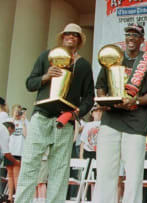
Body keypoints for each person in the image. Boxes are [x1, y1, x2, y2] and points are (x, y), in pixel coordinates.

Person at [15, 23, 94, 203]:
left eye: (75, 35)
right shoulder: (47, 56)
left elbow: (89, 97)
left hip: (64, 120)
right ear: (62, 36)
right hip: (42, 115)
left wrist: (77, 113)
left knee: (60, 169)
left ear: (80, 40)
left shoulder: (83, 65)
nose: (71, 37)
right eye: (68, 34)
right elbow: (29, 83)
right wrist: (45, 76)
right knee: (29, 164)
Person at [94, 23, 147, 203]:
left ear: (142, 40)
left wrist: (136, 100)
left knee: (133, 176)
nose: (131, 38)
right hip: (111, 121)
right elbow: (100, 86)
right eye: (128, 34)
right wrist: (104, 101)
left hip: (136, 123)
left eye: (135, 35)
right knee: (106, 172)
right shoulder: (114, 57)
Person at [6, 105, 28, 202]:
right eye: (16, 111)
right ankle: (10, 197)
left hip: (19, 152)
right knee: (9, 175)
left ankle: (17, 197)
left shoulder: (25, 122)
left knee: (16, 175)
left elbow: (26, 135)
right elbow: (5, 133)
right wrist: (13, 120)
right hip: (9, 151)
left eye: (19, 111)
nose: (18, 113)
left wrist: (23, 122)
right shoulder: (9, 121)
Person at [0, 121, 18, 202]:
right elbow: (6, 153)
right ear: (10, 128)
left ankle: (10, 197)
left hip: (10, 153)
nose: (11, 134)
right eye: (12, 131)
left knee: (11, 176)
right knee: (13, 176)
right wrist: (16, 162)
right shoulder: (5, 132)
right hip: (10, 154)